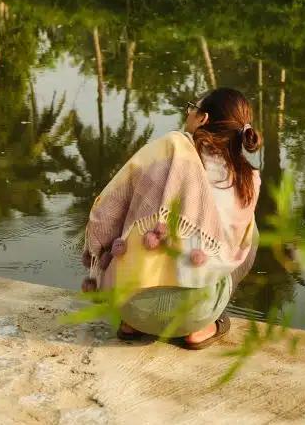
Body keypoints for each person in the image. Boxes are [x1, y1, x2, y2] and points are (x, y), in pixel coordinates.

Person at [81, 87, 262, 349]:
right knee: (249, 233)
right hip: (194, 313)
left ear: (203, 119)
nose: (188, 111)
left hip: (132, 307)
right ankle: (201, 328)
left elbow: (105, 212)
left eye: (193, 107)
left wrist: (102, 260)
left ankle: (131, 324)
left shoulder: (169, 149)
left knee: (139, 213)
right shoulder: (250, 179)